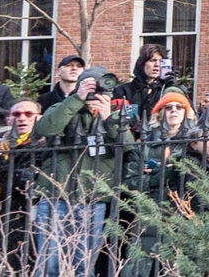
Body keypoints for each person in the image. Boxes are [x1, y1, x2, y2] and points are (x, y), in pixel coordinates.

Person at [32, 67, 139, 277]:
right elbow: (44, 129)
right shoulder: (63, 107)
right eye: (90, 86)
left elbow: (127, 147)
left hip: (94, 198)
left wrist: (109, 117)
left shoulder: (114, 116)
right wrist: (77, 99)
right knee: (49, 263)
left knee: (83, 264)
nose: (95, 93)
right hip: (56, 194)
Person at [127, 87, 200, 277]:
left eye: (179, 107)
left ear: (187, 112)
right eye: (168, 108)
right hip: (150, 209)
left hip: (183, 211)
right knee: (141, 264)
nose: (174, 110)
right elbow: (130, 180)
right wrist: (155, 178)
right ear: (161, 113)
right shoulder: (145, 145)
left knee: (176, 265)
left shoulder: (195, 143)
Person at [0, 99, 43, 272]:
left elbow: (26, 184)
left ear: (39, 118)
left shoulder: (43, 146)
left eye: (29, 114)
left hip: (23, 216)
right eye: (16, 114)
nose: (22, 118)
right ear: (8, 120)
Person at [112, 44, 173, 129]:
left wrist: (175, 87)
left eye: (161, 61)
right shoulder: (123, 90)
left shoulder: (166, 90)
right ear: (142, 64)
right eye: (152, 60)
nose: (157, 64)